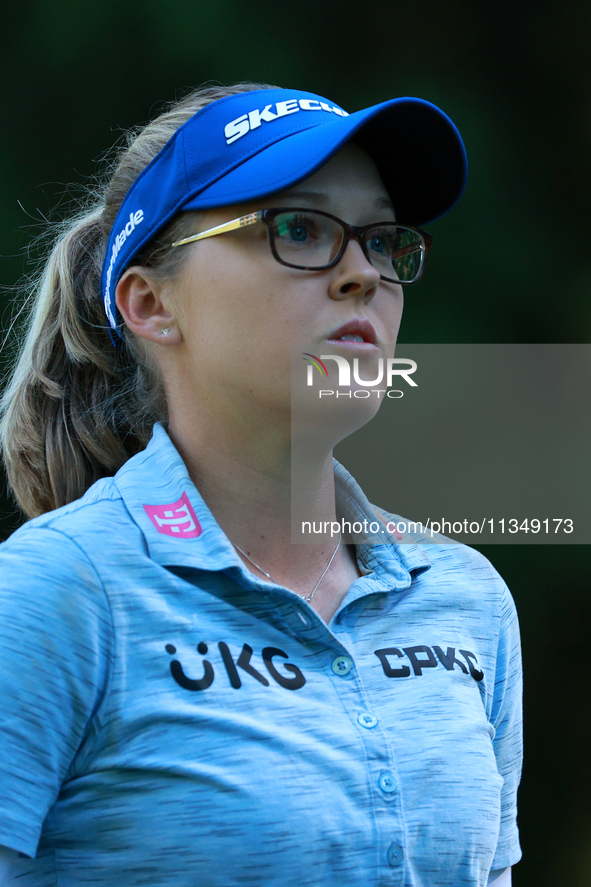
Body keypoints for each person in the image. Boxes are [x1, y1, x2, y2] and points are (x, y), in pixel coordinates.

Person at [0, 82, 522, 887]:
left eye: (381, 240)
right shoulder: (56, 594)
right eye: (300, 229)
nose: (363, 276)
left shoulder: (466, 596)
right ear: (149, 303)